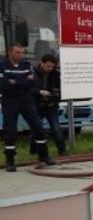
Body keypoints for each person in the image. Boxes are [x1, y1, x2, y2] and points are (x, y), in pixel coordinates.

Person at [2, 42, 55, 172]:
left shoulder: (26, 65)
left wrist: (15, 81)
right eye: (18, 52)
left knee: (38, 127)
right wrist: (23, 81)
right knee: (10, 131)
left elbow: (33, 83)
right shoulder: (2, 65)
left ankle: (44, 157)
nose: (21, 55)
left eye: (23, 52)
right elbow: (3, 84)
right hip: (10, 101)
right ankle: (10, 161)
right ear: (10, 52)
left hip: (27, 100)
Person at [34, 54, 66, 155]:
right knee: (36, 128)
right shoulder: (33, 73)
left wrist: (54, 100)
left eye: (52, 67)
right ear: (41, 63)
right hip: (36, 105)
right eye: (48, 66)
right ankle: (34, 150)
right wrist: (39, 92)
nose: (50, 69)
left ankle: (62, 150)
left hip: (51, 106)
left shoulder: (56, 74)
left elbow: (59, 91)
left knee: (55, 127)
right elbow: (29, 89)